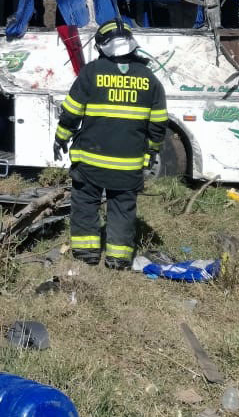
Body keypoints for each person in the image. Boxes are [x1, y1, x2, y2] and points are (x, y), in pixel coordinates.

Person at [54, 19, 167, 270]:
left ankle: (86, 253)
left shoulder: (91, 73)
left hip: (90, 160)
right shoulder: (149, 78)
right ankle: (118, 258)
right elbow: (159, 122)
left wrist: (60, 137)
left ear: (102, 46)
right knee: (123, 208)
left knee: (85, 203)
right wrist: (152, 150)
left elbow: (72, 112)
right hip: (128, 164)